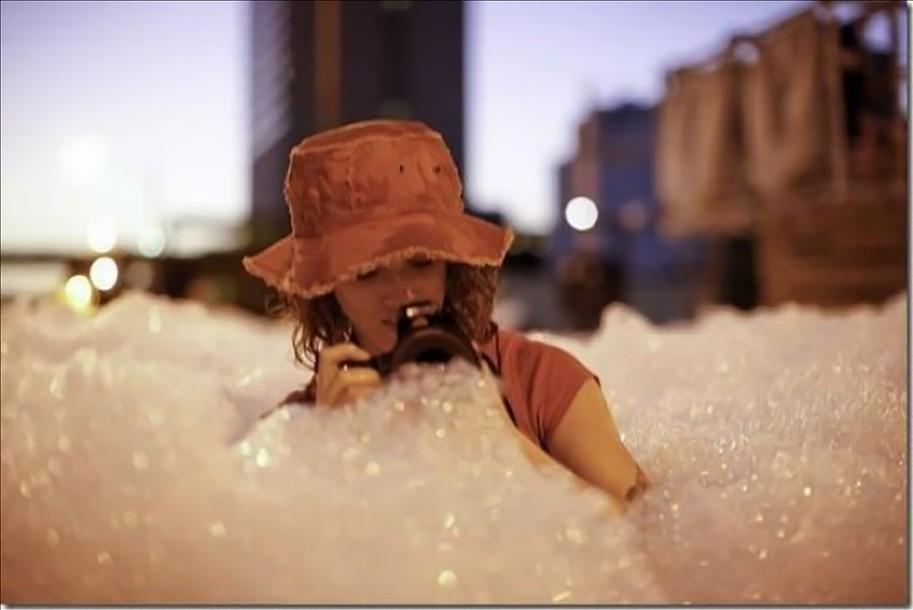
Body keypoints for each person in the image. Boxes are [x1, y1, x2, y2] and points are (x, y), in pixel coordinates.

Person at [243, 119, 648, 505]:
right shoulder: (300, 422)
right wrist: (329, 448)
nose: (401, 292)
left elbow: (647, 536)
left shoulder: (541, 380)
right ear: (327, 288)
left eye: (422, 263)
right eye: (366, 273)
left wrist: (499, 439)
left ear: (452, 267)